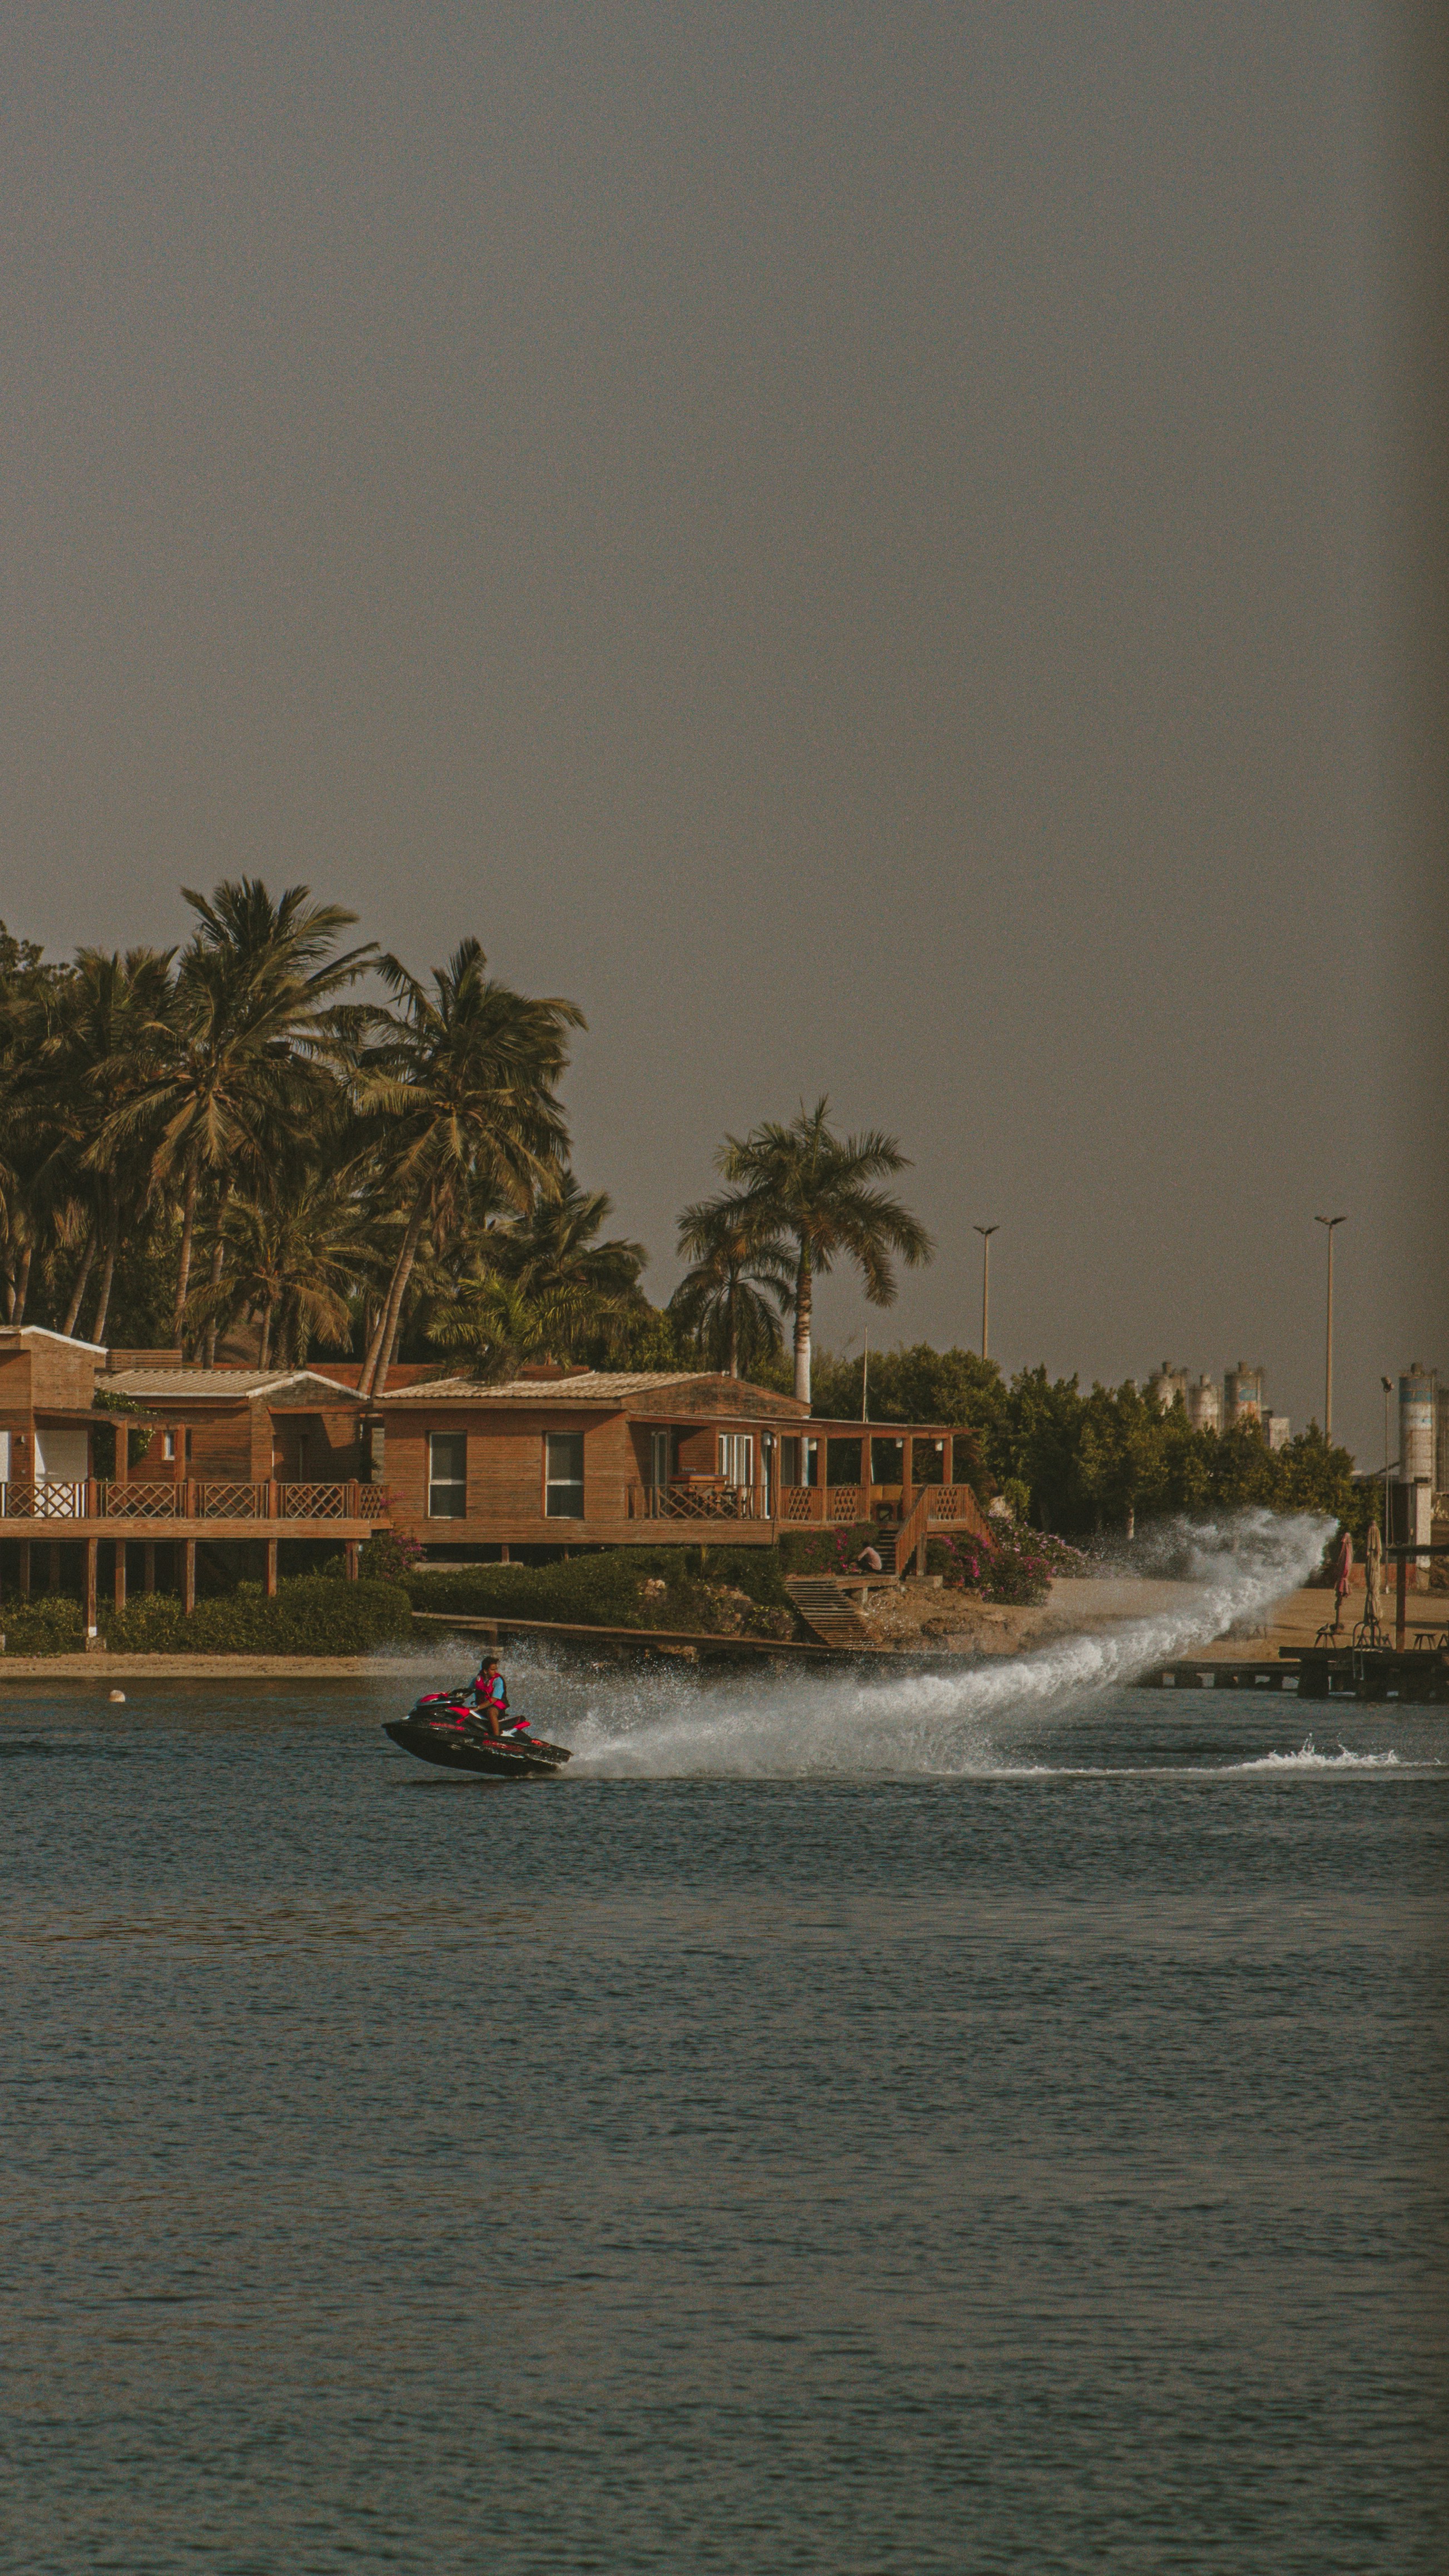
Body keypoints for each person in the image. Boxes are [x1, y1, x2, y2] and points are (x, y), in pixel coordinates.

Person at [473, 1655, 510, 1737]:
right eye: (493, 1670)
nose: (495, 1672)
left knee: (491, 1712)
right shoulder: (478, 1679)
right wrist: (455, 1696)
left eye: (496, 1669)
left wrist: (478, 1708)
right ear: (485, 1671)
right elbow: (467, 1691)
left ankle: (496, 1738)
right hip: (484, 1707)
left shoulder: (498, 1681)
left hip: (497, 1708)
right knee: (466, 1711)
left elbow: (493, 1700)